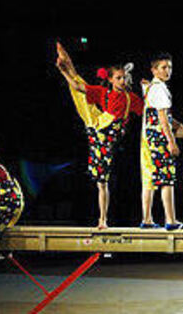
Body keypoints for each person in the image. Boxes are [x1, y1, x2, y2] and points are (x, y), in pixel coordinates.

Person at [55, 42, 143, 229]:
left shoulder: (131, 98)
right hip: (97, 127)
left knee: (103, 183)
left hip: (103, 136)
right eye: (119, 78)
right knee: (78, 86)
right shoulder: (104, 92)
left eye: (124, 78)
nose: (123, 81)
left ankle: (103, 219)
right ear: (111, 80)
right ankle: (102, 220)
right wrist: (64, 73)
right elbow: (78, 87)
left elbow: (148, 110)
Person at [139, 52, 183, 230]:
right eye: (163, 67)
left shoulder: (152, 87)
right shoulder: (160, 88)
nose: (167, 70)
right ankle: (171, 220)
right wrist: (172, 142)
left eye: (169, 67)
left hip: (148, 139)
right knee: (167, 179)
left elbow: (160, 113)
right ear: (154, 70)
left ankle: (146, 219)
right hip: (159, 138)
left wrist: (177, 124)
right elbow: (162, 117)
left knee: (149, 179)